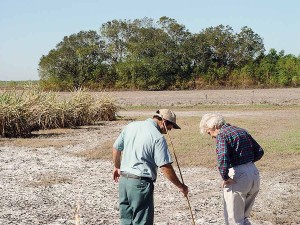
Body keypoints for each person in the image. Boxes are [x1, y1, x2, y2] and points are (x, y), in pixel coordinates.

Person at [112, 109, 189, 225]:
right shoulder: (157, 137)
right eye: (170, 127)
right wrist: (181, 186)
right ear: (164, 122)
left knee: (126, 221)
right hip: (140, 184)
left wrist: (117, 167)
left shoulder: (131, 126)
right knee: (142, 221)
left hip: (124, 182)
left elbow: (116, 148)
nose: (169, 130)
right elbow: (165, 166)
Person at [199, 113, 264, 225]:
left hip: (238, 176)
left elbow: (222, 157)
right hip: (254, 173)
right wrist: (247, 163)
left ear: (213, 127)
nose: (211, 136)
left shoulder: (222, 135)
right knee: (244, 218)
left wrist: (225, 177)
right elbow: (259, 151)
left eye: (209, 132)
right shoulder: (242, 130)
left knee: (233, 220)